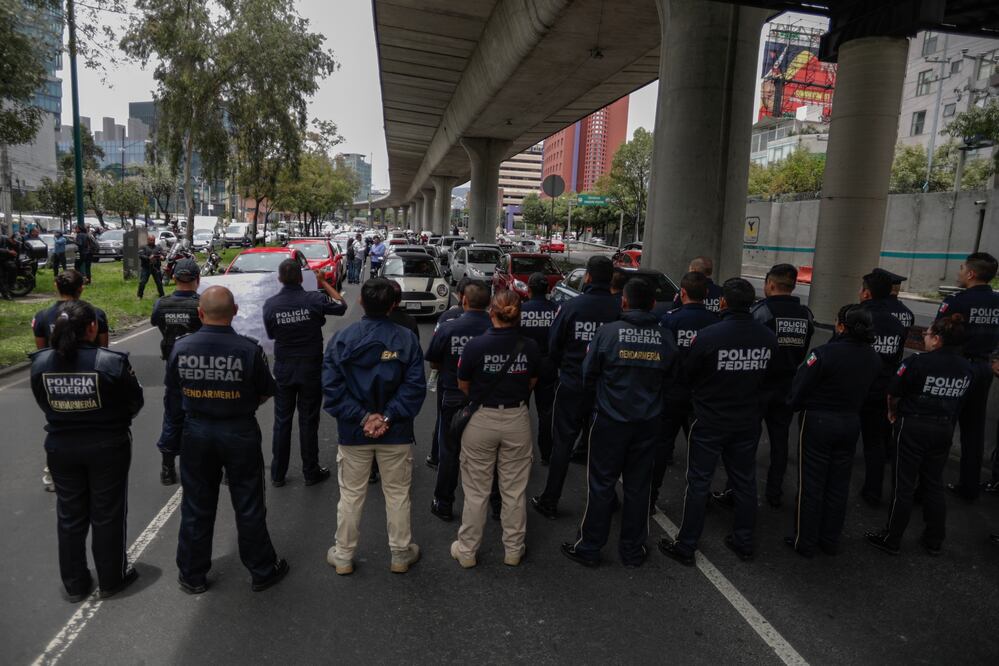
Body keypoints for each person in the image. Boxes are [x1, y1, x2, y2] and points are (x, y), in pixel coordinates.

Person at [164, 286, 289, 594]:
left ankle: (192, 575)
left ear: (200, 313)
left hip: (196, 433)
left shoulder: (181, 348)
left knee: (195, 505)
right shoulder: (249, 349)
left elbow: (174, 396)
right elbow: (264, 390)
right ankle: (261, 569)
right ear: (234, 312)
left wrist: (169, 442)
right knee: (248, 503)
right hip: (238, 431)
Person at [29, 301, 144, 602]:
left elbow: (43, 402)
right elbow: (134, 402)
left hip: (61, 447)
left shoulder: (40, 363)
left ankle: (75, 583)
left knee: (70, 516)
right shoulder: (111, 361)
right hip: (107, 446)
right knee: (107, 513)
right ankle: (112, 578)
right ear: (92, 328)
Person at [659, 278, 778, 566]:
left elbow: (688, 374)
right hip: (747, 420)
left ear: (723, 302)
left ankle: (686, 545)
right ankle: (744, 541)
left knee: (699, 482)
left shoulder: (710, 336)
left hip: (710, 419)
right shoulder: (767, 337)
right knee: (744, 482)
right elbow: (772, 380)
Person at [562, 279, 677, 568]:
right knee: (639, 488)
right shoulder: (666, 338)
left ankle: (590, 547)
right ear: (652, 304)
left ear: (623, 302)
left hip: (609, 421)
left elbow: (588, 375)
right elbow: (674, 382)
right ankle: (633, 550)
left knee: (601, 484)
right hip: (648, 424)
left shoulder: (606, 333)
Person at [322, 277, 426, 575]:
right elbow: (414, 386)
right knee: (397, 494)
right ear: (394, 304)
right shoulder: (406, 339)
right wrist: (387, 417)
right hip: (396, 433)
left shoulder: (342, 339)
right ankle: (400, 553)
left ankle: (343, 555)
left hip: (354, 433)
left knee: (351, 495)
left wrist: (363, 417)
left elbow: (331, 388)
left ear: (360, 301)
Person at [866, 314, 974, 556]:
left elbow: (894, 392)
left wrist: (893, 414)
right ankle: (934, 538)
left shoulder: (917, 363)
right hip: (944, 427)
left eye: (927, 334)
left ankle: (892, 537)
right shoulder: (967, 367)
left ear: (937, 339)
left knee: (903, 485)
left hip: (913, 426)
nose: (925, 337)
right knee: (933, 483)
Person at [450, 290, 540, 568]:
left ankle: (467, 550)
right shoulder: (531, 346)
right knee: (514, 489)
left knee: (476, 490)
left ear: (492, 312)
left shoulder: (475, 346)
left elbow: (463, 385)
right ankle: (513, 549)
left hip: (481, 419)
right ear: (518, 315)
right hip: (516, 419)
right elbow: (532, 382)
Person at [786, 305, 881, 557]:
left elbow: (799, 388)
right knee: (838, 485)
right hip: (850, 422)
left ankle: (804, 541)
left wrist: (792, 405)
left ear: (840, 326)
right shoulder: (872, 357)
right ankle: (829, 540)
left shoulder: (824, 354)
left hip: (818, 421)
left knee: (811, 483)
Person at [531, 255, 620, 519]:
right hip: (607, 388)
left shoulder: (572, 307)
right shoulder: (619, 310)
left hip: (572, 384)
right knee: (602, 446)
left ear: (588, 278)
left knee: (562, 444)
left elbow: (554, 345)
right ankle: (608, 497)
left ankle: (550, 499)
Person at [262, 259, 347, 487]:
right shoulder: (315, 298)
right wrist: (322, 283)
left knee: (282, 421)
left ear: (280, 279)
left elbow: (270, 335)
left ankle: (277, 474)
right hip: (310, 368)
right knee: (308, 420)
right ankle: (310, 471)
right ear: (302, 278)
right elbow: (341, 305)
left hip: (284, 368)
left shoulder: (271, 304)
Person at [651, 271, 718, 513]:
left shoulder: (670, 320)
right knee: (700, 448)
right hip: (701, 394)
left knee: (661, 445)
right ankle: (702, 495)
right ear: (707, 294)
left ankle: (650, 496)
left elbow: (660, 354)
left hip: (672, 391)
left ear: (683, 294)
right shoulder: (715, 321)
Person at [425, 280, 492, 521]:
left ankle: (443, 502)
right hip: (488, 401)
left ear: (463, 300)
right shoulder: (496, 327)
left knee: (449, 452)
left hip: (452, 396)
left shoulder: (448, 327)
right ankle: (494, 505)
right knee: (489, 456)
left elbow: (433, 361)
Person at [749, 263, 814, 507]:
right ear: (793, 285)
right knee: (780, 441)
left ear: (770, 284)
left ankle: (737, 489)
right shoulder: (805, 315)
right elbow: (804, 348)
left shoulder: (761, 312)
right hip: (788, 383)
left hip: (761, 384)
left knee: (749, 439)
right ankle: (774, 492)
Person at [937, 253, 999, 502]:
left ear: (971, 273)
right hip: (984, 369)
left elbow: (940, 332)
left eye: (962, 268)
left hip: (957, 367)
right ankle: (969, 487)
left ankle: (927, 486)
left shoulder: (957, 302)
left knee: (942, 426)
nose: (959, 271)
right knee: (973, 430)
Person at [857, 270, 907, 506]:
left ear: (866, 293)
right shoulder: (898, 324)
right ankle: (873, 491)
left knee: (842, 440)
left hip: (854, 388)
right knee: (875, 443)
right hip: (882, 389)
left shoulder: (857, 317)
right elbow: (895, 359)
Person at [151, 258, 202, 485]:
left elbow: (156, 323)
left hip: (172, 365)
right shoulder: (201, 305)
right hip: (199, 367)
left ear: (174, 278)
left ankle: (167, 469)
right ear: (197, 280)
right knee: (203, 415)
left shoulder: (161, 304)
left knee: (172, 416)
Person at [426, 276, 473, 470]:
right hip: (477, 386)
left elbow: (434, 357)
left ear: (461, 296)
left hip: (449, 381)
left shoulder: (446, 319)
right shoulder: (489, 322)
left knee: (443, 421)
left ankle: (437, 457)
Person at [519, 272, 558, 464]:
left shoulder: (520, 310)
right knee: (546, 412)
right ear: (548, 290)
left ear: (529, 290)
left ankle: (522, 451)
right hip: (548, 365)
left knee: (520, 411)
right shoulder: (557, 310)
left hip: (524, 366)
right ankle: (547, 453)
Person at [33, 270, 110, 349]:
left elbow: (42, 353)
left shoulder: (41, 317)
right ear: (81, 288)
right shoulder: (96, 314)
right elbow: (103, 350)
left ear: (56, 286)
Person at [137, 234, 165, 299]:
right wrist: (148, 258)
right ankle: (139, 296)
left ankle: (162, 295)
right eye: (151, 240)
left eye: (153, 240)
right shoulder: (143, 247)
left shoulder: (158, 247)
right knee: (142, 282)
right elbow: (141, 255)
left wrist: (162, 257)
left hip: (156, 267)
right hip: (146, 267)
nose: (152, 241)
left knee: (159, 282)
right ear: (148, 240)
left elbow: (163, 254)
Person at [0, 232, 16, 300]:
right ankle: (6, 294)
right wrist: (8, 251)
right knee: (1, 277)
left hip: (4, 260)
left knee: (13, 267)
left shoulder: (5, 238)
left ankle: (11, 286)